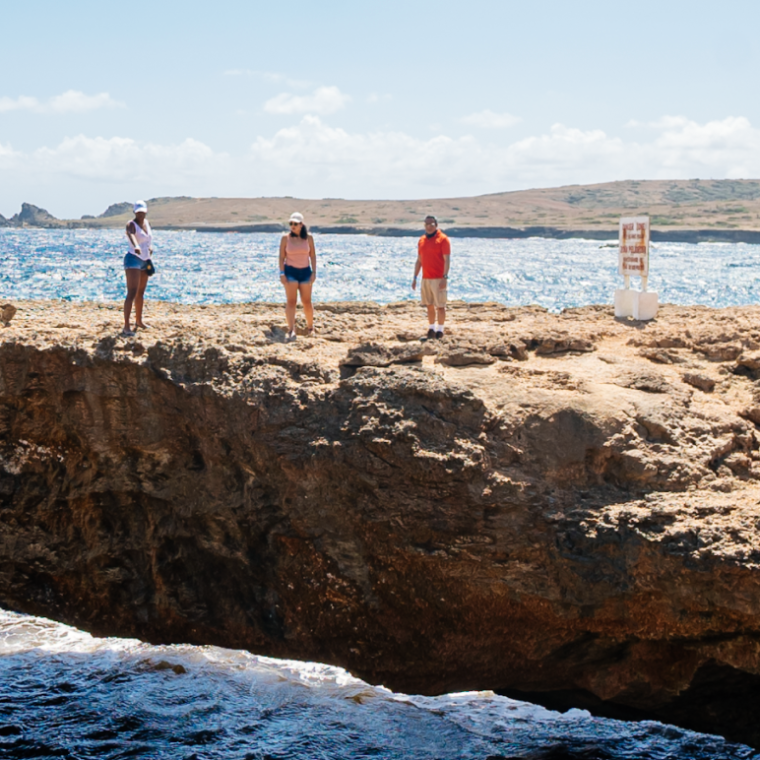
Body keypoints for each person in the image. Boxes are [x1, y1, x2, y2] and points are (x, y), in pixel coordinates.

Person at [279, 212, 317, 340]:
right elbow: (281, 257)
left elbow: (312, 255)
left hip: (305, 272)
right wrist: (282, 273)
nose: (293, 226)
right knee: (291, 301)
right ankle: (291, 330)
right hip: (290, 272)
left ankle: (310, 328)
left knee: (307, 301)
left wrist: (314, 272)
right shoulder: (285, 238)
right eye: (291, 224)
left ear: (301, 225)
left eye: (295, 224)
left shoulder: (309, 238)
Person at [412, 215, 450, 339]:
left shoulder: (443, 239)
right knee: (429, 305)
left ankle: (440, 330)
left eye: (431, 224)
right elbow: (419, 260)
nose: (429, 227)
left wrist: (444, 277)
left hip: (438, 278)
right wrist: (415, 277)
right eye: (426, 224)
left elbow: (447, 260)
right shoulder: (422, 240)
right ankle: (431, 328)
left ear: (436, 225)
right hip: (426, 278)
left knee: (440, 305)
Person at [123, 200, 153, 336]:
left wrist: (149, 247)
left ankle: (139, 321)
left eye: (143, 212)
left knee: (140, 292)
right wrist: (136, 246)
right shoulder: (131, 224)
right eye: (138, 212)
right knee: (132, 292)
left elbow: (147, 239)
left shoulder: (146, 224)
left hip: (145, 260)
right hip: (133, 259)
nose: (141, 215)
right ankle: (126, 326)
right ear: (135, 212)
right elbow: (132, 235)